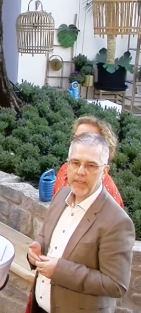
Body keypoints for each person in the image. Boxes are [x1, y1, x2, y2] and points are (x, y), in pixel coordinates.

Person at [27, 133, 135, 313]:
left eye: (91, 165)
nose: (80, 171)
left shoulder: (118, 222)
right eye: (75, 163)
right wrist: (38, 246)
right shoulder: (61, 195)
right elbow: (46, 236)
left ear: (105, 172)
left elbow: (116, 285)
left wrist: (61, 271)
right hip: (39, 306)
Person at [52, 116, 123, 207]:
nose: (79, 143)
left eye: (87, 139)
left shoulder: (109, 193)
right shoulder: (65, 169)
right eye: (76, 138)